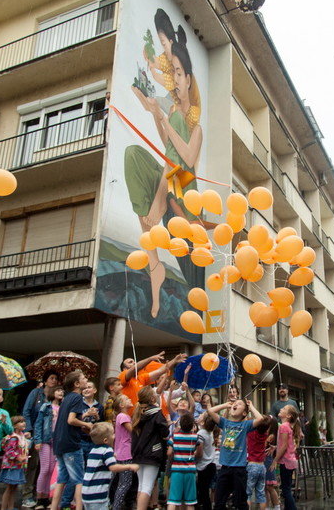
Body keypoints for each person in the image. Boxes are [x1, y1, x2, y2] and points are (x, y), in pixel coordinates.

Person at [126, 26, 204, 318]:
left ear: (188, 79)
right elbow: (166, 143)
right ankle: (154, 264)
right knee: (133, 155)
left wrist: (164, 118)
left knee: (172, 168)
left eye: (179, 73)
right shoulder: (170, 111)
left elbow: (186, 156)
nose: (175, 78)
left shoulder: (196, 124)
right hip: (169, 176)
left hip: (185, 188)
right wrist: (153, 112)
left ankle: (158, 209)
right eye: (173, 72)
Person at [207, 398, 267, 510]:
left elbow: (260, 418)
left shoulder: (245, 425)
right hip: (224, 468)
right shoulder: (225, 422)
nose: (235, 404)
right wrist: (225, 405)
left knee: (240, 502)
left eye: (239, 404)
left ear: (244, 413)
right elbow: (210, 411)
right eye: (234, 403)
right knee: (219, 502)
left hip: (239, 469)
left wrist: (251, 406)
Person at [60, 379, 104, 509]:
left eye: (90, 387)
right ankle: (66, 502)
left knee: (90, 472)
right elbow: (73, 420)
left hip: (93, 441)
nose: (87, 389)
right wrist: (85, 415)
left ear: (95, 390)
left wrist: (96, 417)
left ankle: (84, 501)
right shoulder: (78, 402)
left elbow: (100, 425)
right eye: (86, 387)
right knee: (75, 474)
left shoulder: (99, 406)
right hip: (80, 440)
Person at [50, 370, 89, 510]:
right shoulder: (78, 398)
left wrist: (83, 417)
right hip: (71, 443)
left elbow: (68, 419)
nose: (86, 379)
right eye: (84, 378)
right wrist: (87, 424)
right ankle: (79, 507)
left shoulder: (67, 398)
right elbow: (71, 420)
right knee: (79, 479)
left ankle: (54, 507)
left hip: (59, 442)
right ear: (77, 384)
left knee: (62, 478)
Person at [21, 370, 59, 508]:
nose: (54, 381)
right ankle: (27, 494)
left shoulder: (56, 398)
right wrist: (28, 429)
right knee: (33, 466)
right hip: (36, 434)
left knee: (47, 467)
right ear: (45, 380)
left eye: (56, 378)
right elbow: (27, 411)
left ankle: (44, 494)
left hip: (50, 437)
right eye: (51, 378)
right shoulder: (36, 393)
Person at [82, 422, 139, 510]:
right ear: (105, 440)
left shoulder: (93, 450)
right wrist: (129, 466)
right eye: (112, 434)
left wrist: (112, 457)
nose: (115, 436)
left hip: (87, 493)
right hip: (98, 494)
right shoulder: (107, 450)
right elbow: (113, 467)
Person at [131, 385, 170, 510]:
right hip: (152, 452)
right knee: (147, 486)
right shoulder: (156, 412)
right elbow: (164, 432)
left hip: (138, 453)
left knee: (141, 486)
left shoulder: (137, 412)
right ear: (152, 399)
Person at [119, 352, 186, 411]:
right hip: (128, 418)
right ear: (124, 369)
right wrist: (150, 359)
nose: (134, 363)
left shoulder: (141, 378)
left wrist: (174, 361)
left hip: (140, 417)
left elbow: (160, 371)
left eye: (134, 361)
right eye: (130, 362)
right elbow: (135, 368)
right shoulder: (122, 376)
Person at [33, 385, 64, 510]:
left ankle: (50, 496)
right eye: (58, 390)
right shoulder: (46, 406)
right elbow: (39, 424)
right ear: (52, 393)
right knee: (45, 469)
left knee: (52, 469)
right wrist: (38, 440)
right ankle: (40, 497)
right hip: (46, 440)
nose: (60, 392)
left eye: (62, 391)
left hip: (57, 441)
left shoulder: (63, 408)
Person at [270, 405, 300, 510]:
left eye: (283, 409)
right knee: (287, 488)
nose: (280, 409)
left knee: (286, 490)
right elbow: (285, 444)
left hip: (286, 462)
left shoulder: (283, 426)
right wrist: (275, 447)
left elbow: (284, 447)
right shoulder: (287, 426)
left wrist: (275, 460)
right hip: (290, 461)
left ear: (287, 415)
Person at [167, 413, 198, 509]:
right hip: (190, 471)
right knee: (190, 501)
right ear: (192, 425)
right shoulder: (195, 437)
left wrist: (172, 459)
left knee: (173, 500)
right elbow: (197, 451)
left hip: (177, 470)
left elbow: (169, 453)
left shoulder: (175, 436)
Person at [0, 416, 29, 510]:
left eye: (23, 421)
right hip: (12, 466)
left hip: (19, 466)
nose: (23, 423)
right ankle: (3, 508)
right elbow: (9, 451)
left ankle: (10, 507)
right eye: (20, 422)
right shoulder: (13, 437)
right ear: (15, 426)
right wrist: (18, 457)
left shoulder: (22, 436)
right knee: (9, 487)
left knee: (14, 487)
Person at [113, 395, 136, 510]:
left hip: (121, 452)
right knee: (125, 483)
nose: (130, 399)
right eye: (127, 399)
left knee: (122, 482)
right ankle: (116, 506)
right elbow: (132, 431)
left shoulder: (123, 416)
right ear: (121, 405)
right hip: (125, 453)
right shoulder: (123, 416)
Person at [246, 414, 270, 510]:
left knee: (247, 493)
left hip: (252, 464)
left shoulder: (251, 433)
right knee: (261, 494)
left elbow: (247, 421)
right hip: (262, 466)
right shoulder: (264, 435)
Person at [195, 414, 216, 510]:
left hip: (204, 465)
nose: (199, 416)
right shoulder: (209, 432)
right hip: (211, 463)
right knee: (205, 490)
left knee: (202, 491)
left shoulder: (201, 433)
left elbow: (199, 452)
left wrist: (191, 457)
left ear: (203, 422)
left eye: (201, 416)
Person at [263, 416, 280, 510]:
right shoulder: (270, 434)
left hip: (268, 462)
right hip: (265, 461)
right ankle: (267, 506)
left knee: (269, 487)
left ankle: (276, 506)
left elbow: (264, 444)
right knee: (265, 487)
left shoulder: (271, 436)